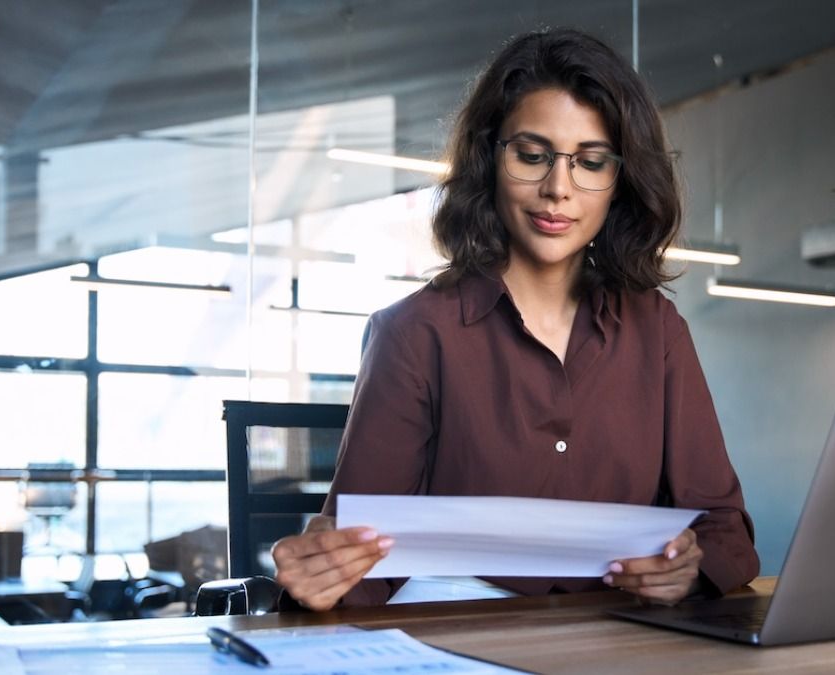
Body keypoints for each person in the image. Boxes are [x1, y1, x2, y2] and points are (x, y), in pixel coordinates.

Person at [271, 27, 759, 611]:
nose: (558, 189)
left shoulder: (658, 331)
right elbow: (358, 562)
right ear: (489, 160)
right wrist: (320, 575)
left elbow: (725, 530)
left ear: (619, 182)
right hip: (459, 630)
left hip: (622, 639)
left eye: (591, 162)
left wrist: (689, 570)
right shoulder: (414, 334)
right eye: (531, 155)